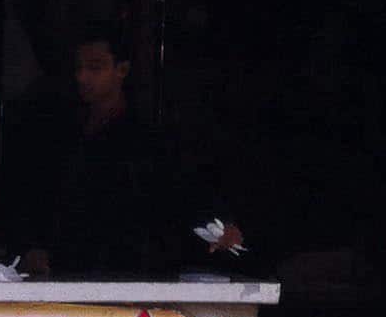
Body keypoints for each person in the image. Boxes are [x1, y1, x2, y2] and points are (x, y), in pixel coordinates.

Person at [33, 24, 243, 279]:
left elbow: (187, 189)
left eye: (95, 67)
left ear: (122, 70)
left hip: (132, 274)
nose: (82, 77)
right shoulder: (65, 135)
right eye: (79, 68)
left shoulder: (148, 138)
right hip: (69, 272)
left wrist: (223, 224)